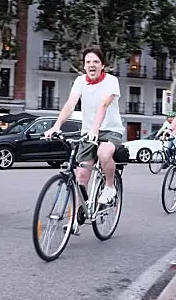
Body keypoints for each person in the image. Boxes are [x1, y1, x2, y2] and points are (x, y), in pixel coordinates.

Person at [44, 47, 125, 232]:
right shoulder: (80, 81)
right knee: (80, 176)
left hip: (110, 130)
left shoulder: (111, 81)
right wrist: (56, 126)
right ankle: (77, 216)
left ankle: (110, 187)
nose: (91, 65)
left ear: (102, 65)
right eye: (88, 62)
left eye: (96, 61)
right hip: (88, 131)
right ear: (84, 65)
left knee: (104, 154)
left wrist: (95, 129)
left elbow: (104, 104)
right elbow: (71, 103)